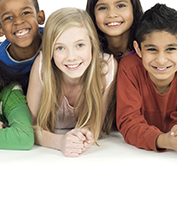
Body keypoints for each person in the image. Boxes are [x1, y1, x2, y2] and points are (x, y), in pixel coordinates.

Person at [27, 8, 117, 157]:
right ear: (50, 50)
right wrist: (60, 141)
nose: (71, 57)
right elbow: (30, 126)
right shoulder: (42, 65)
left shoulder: (107, 68)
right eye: (60, 48)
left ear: (92, 44)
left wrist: (84, 137)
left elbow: (95, 125)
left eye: (80, 45)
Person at [116, 3, 177, 157]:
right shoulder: (129, 69)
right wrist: (165, 140)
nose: (161, 60)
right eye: (152, 49)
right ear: (138, 49)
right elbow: (129, 123)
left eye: (170, 49)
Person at [0, 0, 45, 82]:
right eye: (8, 18)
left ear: (40, 17)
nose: (18, 21)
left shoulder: (57, 42)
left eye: (25, 13)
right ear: (0, 29)